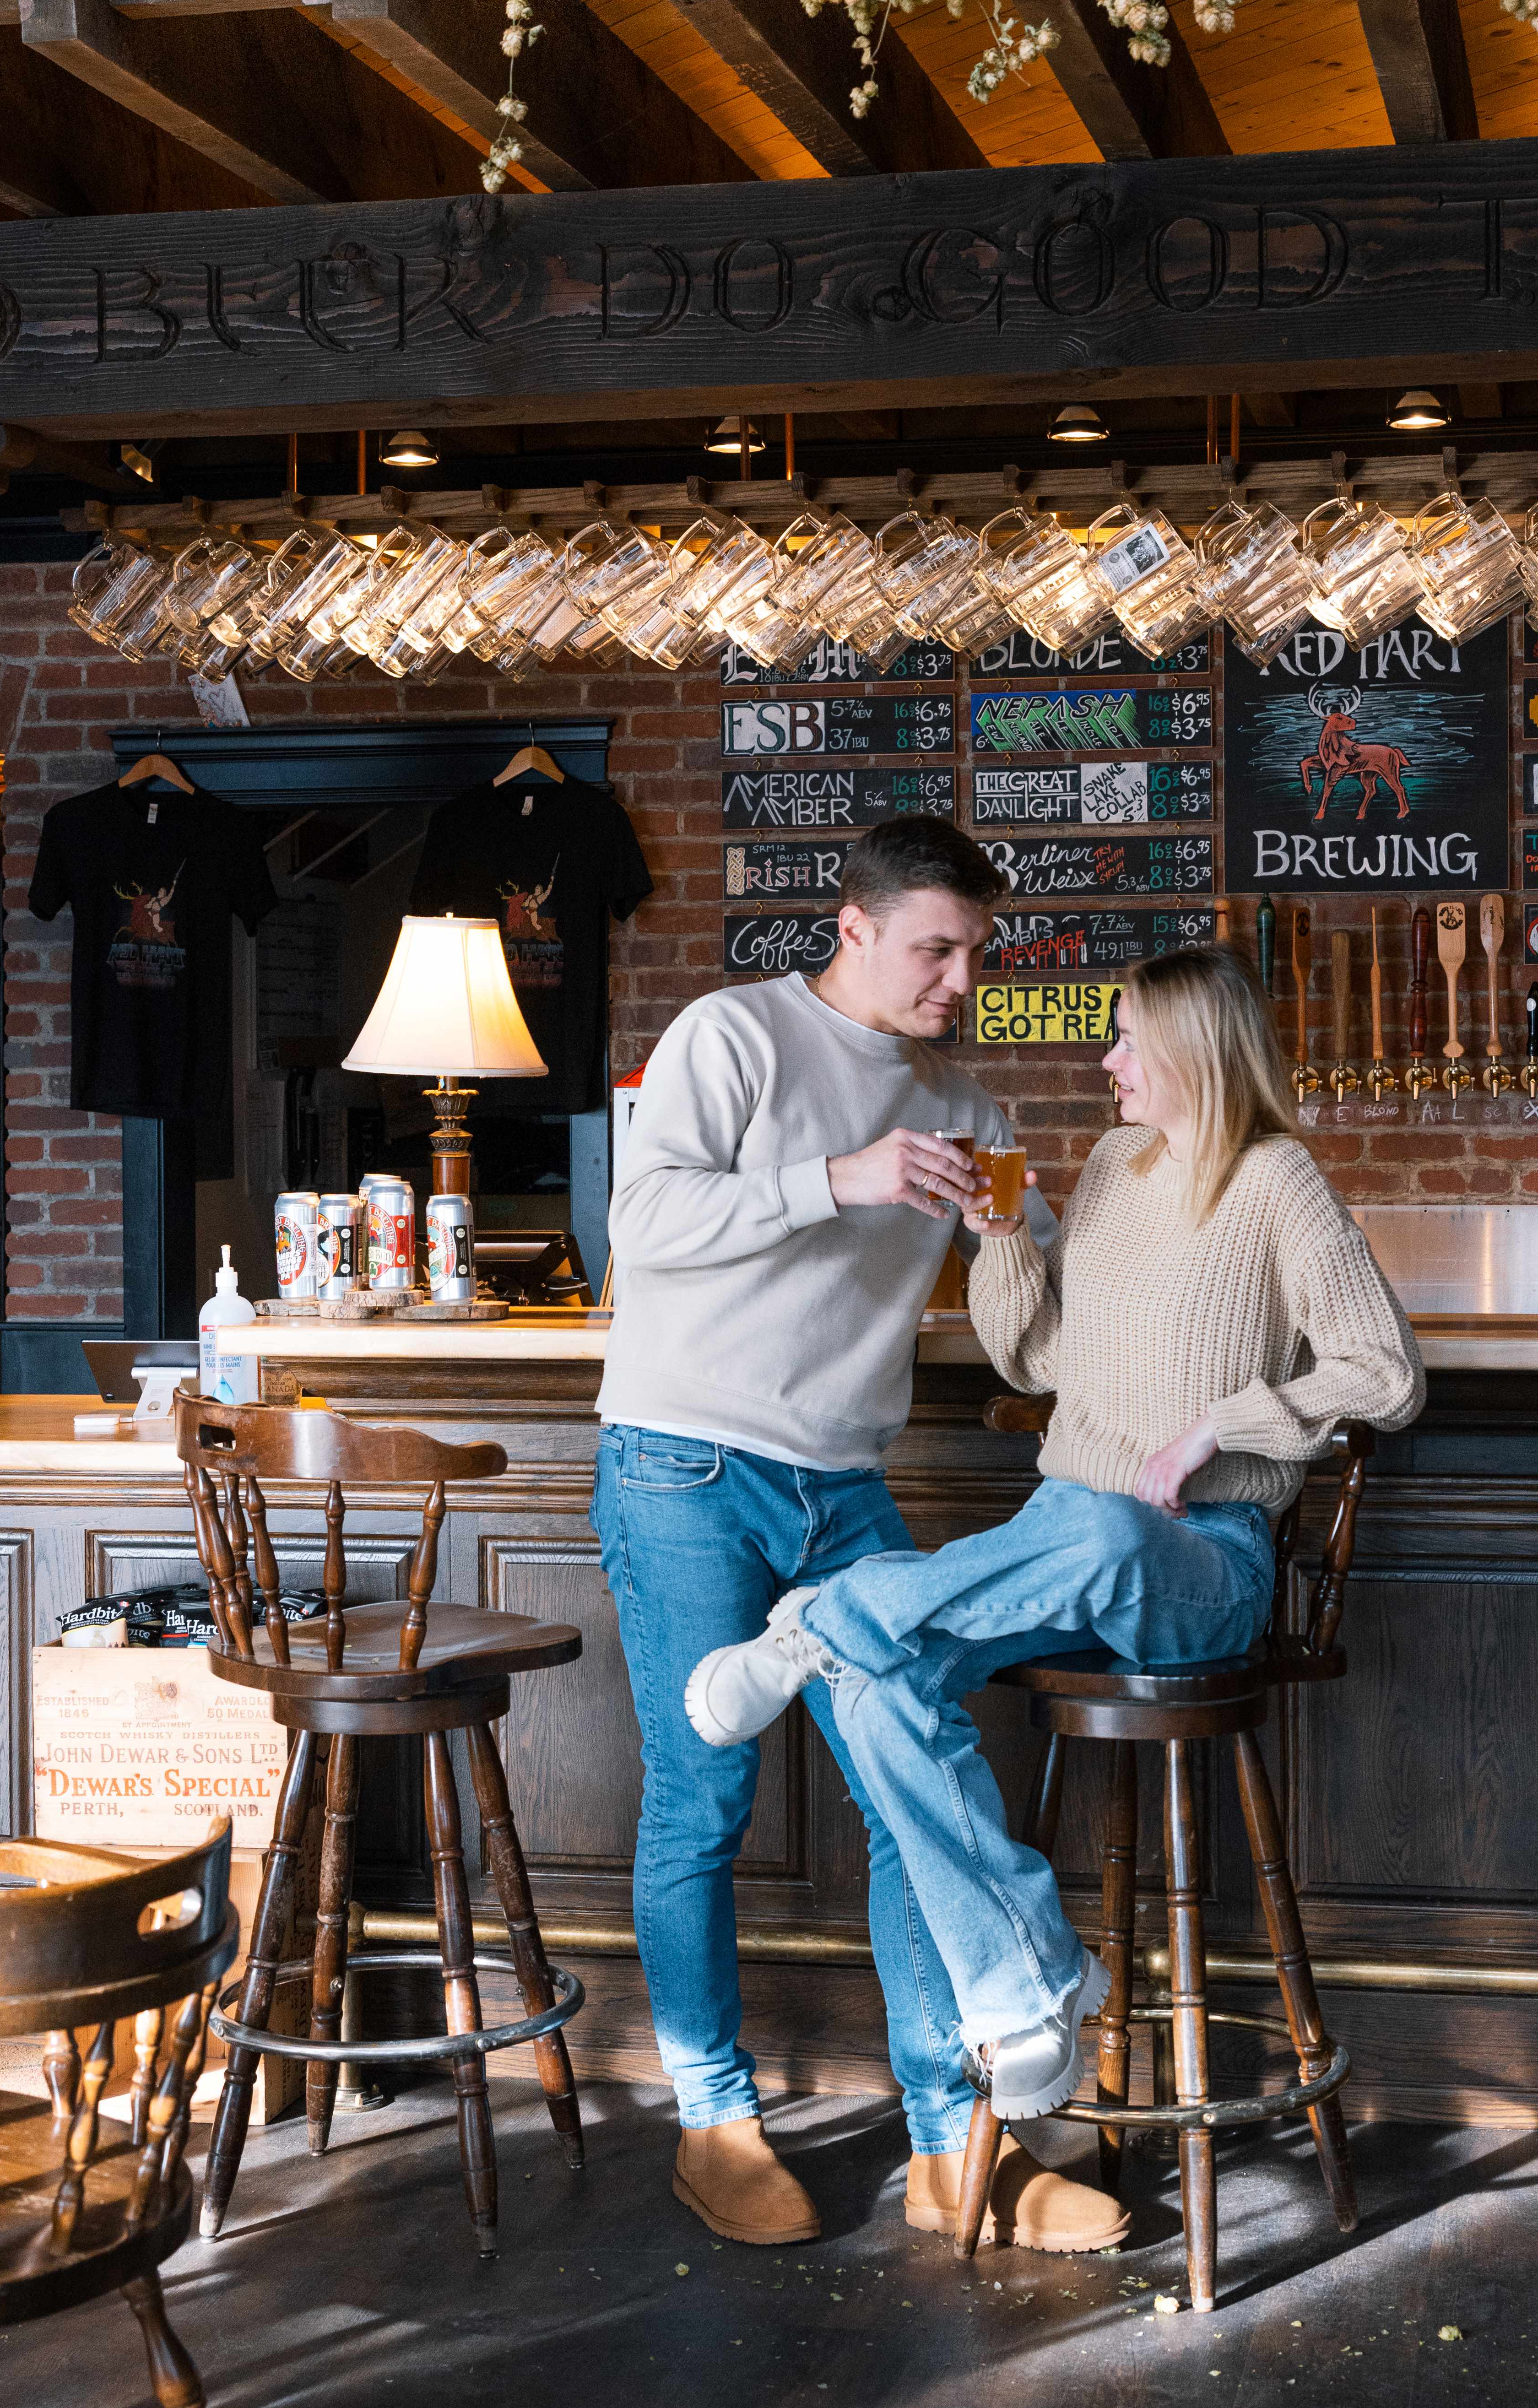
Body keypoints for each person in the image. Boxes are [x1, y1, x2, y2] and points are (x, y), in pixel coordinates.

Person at [684, 942, 1425, 2151]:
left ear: (1191, 1049)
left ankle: (820, 1615)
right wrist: (1001, 1238)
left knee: (1066, 1533)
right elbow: (1036, 1361)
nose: (1105, 1059)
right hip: (1062, 1545)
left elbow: (1383, 1374)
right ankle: (1022, 1979)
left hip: (1205, 1562)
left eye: (1126, 1036)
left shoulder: (1276, 1179)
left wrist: (1220, 1428)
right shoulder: (1108, 1169)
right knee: (878, 1682)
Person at [593, 816, 1129, 2255]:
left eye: (976, 953)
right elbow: (641, 1225)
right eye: (934, 948)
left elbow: (1036, 1330)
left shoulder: (970, 1107)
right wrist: (842, 1178)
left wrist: (1049, 1247)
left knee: (916, 1800)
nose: (960, 979)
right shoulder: (735, 1037)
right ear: (854, 927)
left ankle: (954, 2143)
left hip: (846, 1481)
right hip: (686, 1464)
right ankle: (713, 2112)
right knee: (702, 1800)